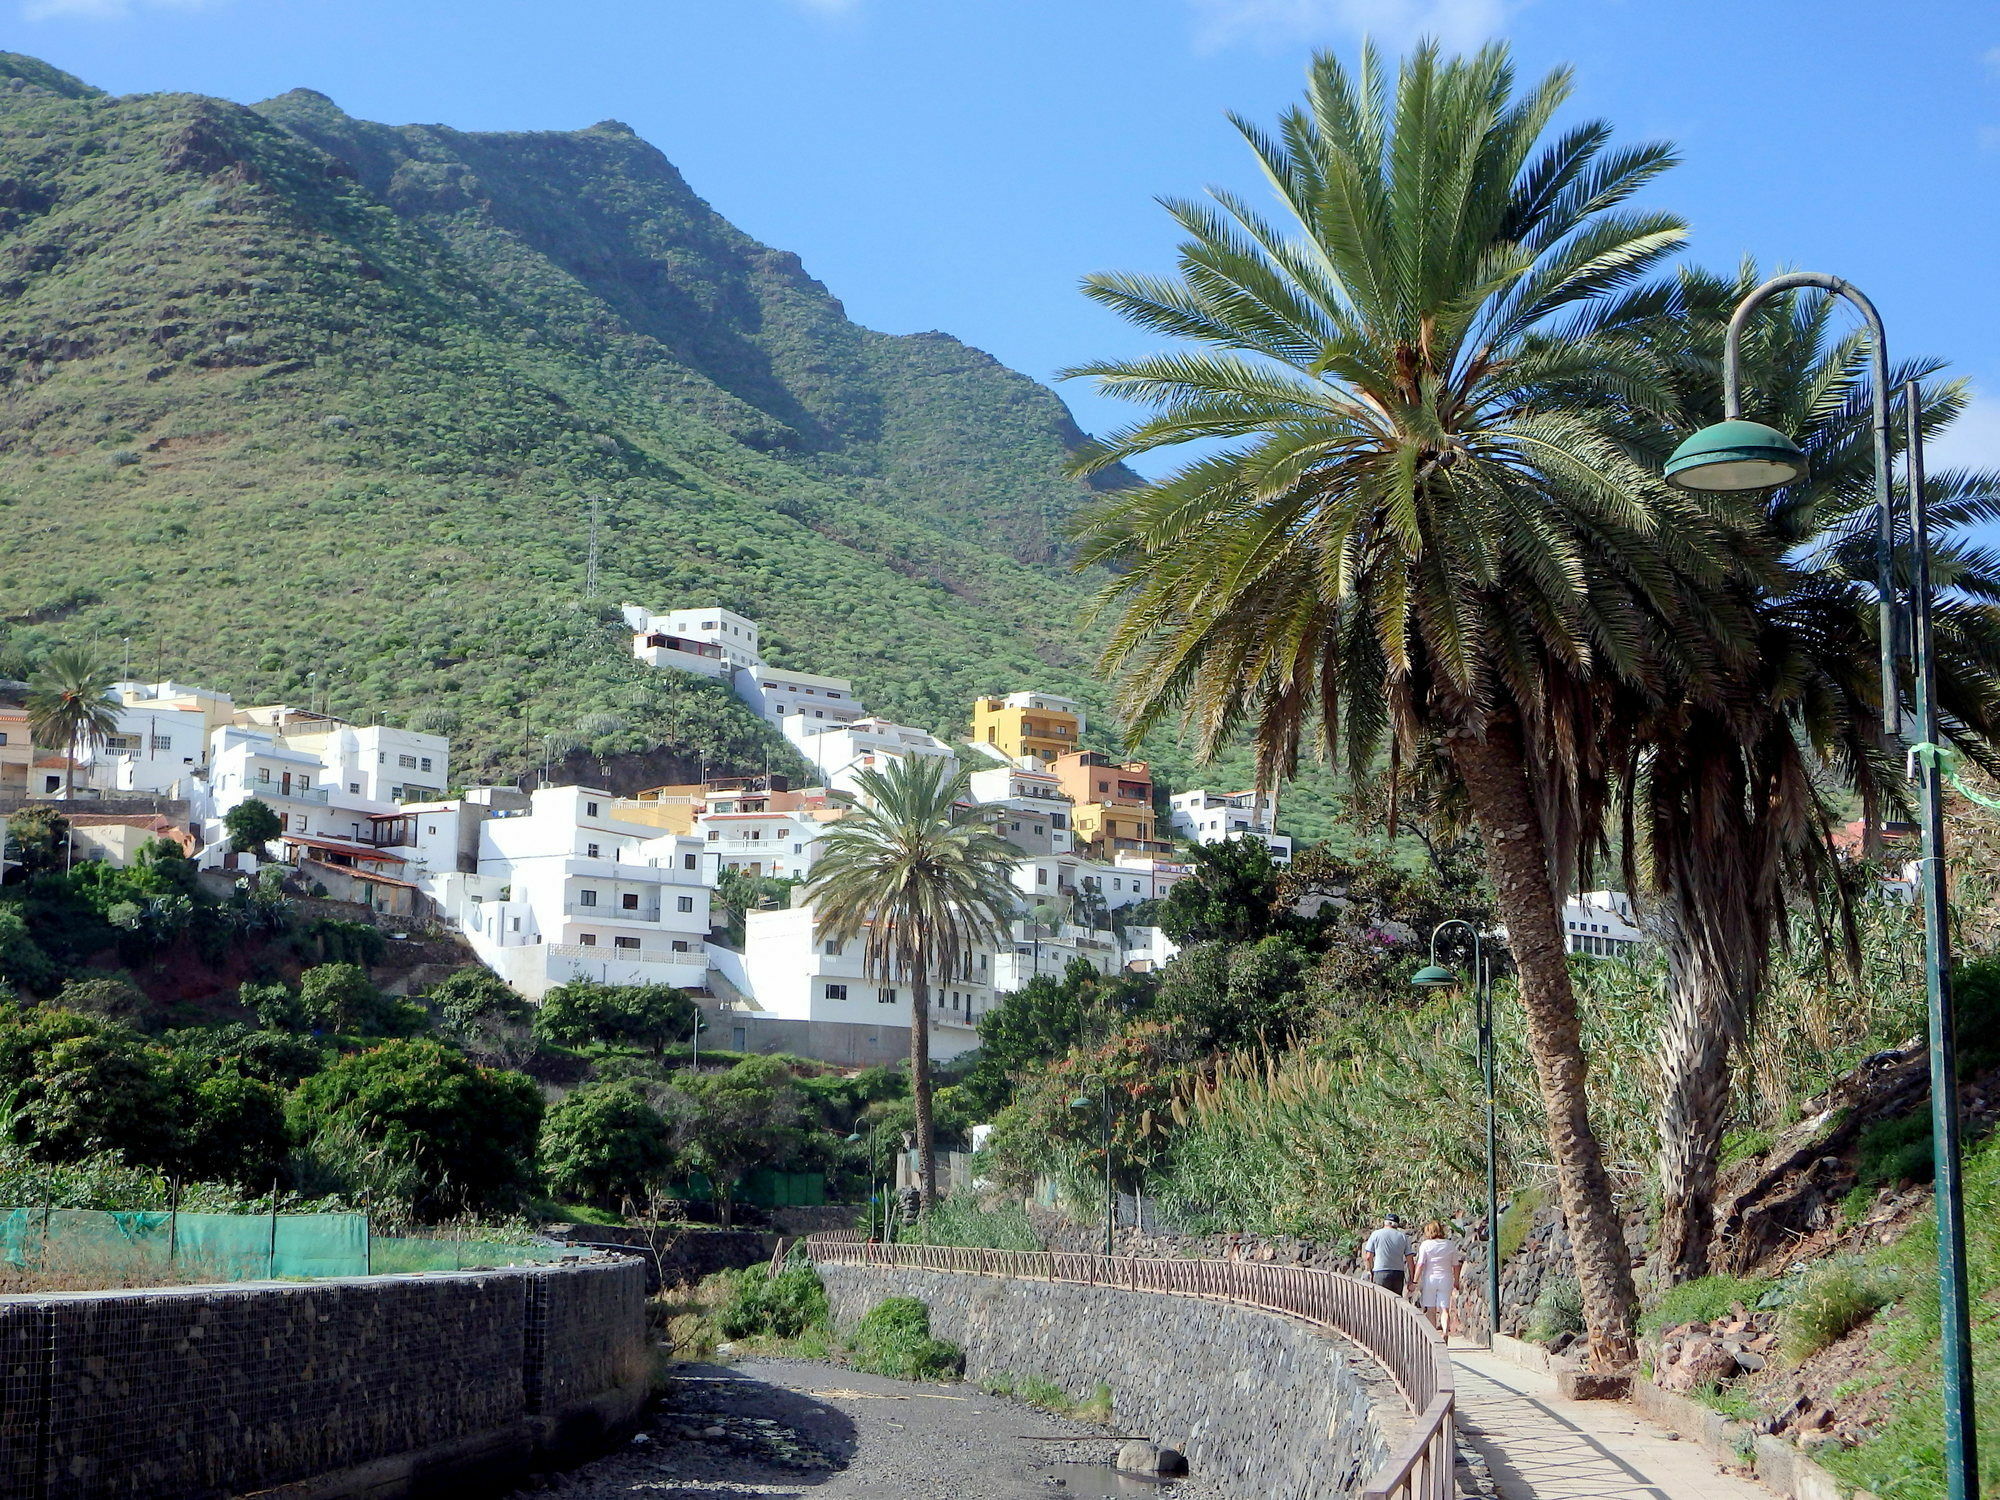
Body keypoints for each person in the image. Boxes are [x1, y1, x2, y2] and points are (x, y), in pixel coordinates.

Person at [1413, 1219, 1464, 1338]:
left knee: (1431, 1309)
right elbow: (1456, 1265)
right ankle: (1445, 1332)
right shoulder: (1449, 1244)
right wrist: (1456, 1281)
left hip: (1430, 1279)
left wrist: (1415, 1280)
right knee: (1444, 1309)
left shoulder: (1425, 1245)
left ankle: (1433, 1336)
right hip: (1446, 1278)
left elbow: (1420, 1264)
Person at [1362, 1213, 1413, 1296]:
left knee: (1381, 1301)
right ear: (1397, 1224)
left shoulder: (1376, 1234)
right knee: (1396, 1301)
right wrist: (1411, 1279)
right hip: (1398, 1274)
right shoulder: (1403, 1237)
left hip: (1380, 1272)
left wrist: (1369, 1271)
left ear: (1385, 1222)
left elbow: (1368, 1257)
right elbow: (1410, 1259)